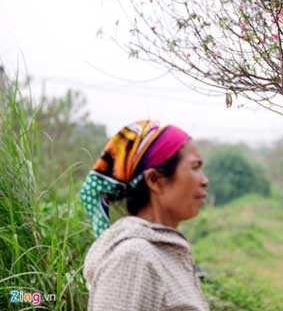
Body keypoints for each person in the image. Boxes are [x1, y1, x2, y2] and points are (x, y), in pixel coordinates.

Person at [80, 120, 209, 310]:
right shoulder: (133, 258)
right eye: (195, 167)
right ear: (155, 180)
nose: (204, 180)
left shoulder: (165, 251)